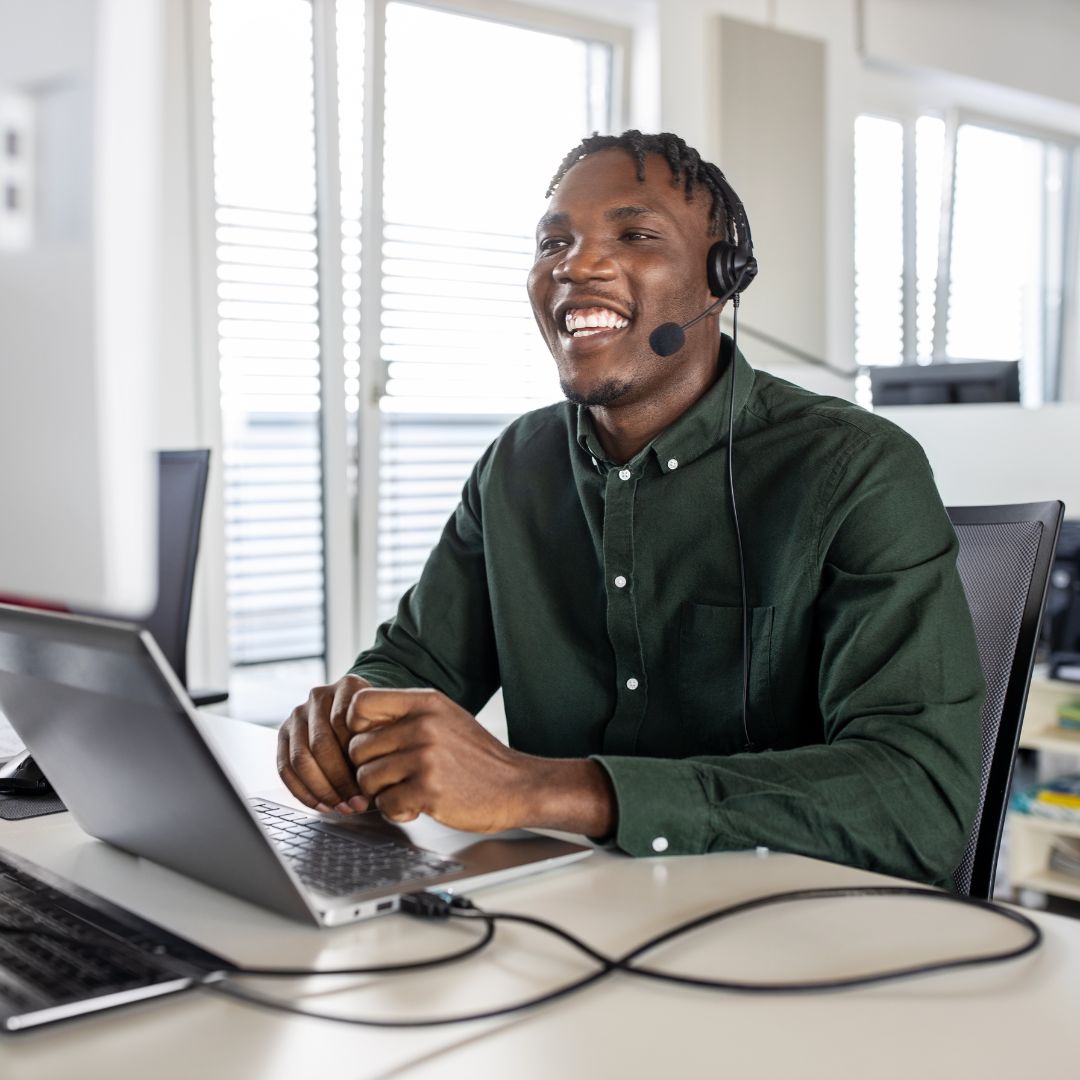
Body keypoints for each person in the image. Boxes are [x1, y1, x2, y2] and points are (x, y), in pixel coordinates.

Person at [277, 131, 984, 889]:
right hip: (565, 915)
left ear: (721, 277)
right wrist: (348, 723)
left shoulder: (855, 469)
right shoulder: (516, 466)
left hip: (788, 933)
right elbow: (416, 665)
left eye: (635, 233)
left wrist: (544, 788)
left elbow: (922, 800)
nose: (575, 265)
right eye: (554, 242)